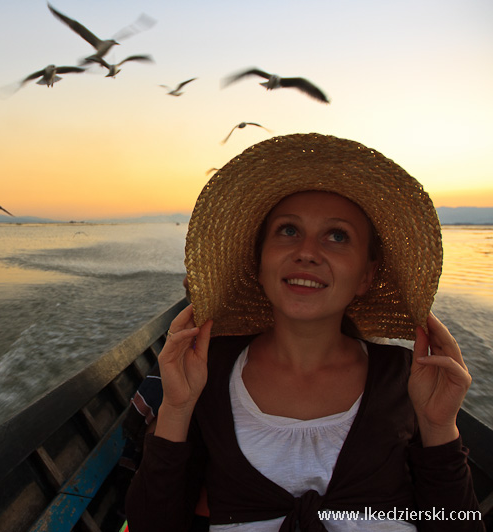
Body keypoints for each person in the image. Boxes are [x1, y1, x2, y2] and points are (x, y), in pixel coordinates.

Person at [125, 133, 483, 531]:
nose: (308, 251)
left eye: (337, 235)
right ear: (259, 263)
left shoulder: (406, 377)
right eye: (288, 231)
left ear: (366, 275)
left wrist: (439, 427)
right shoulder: (207, 371)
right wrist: (176, 409)